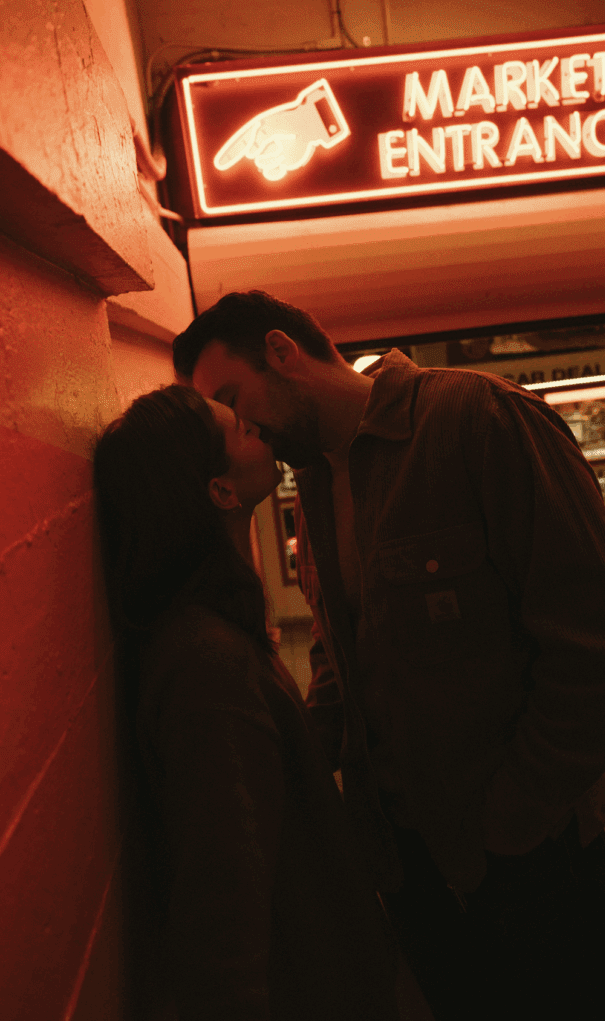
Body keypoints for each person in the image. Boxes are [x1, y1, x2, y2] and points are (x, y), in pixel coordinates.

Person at [172, 290, 605, 1021]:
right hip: (409, 863)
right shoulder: (316, 478)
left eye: (235, 400)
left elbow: (602, 638)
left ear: (281, 350)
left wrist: (512, 820)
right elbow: (346, 651)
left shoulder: (475, 419)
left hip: (526, 857)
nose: (244, 428)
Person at [93, 384, 406, 1021]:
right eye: (240, 427)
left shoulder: (209, 633)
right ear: (220, 491)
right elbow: (222, 897)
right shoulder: (209, 665)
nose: (259, 429)